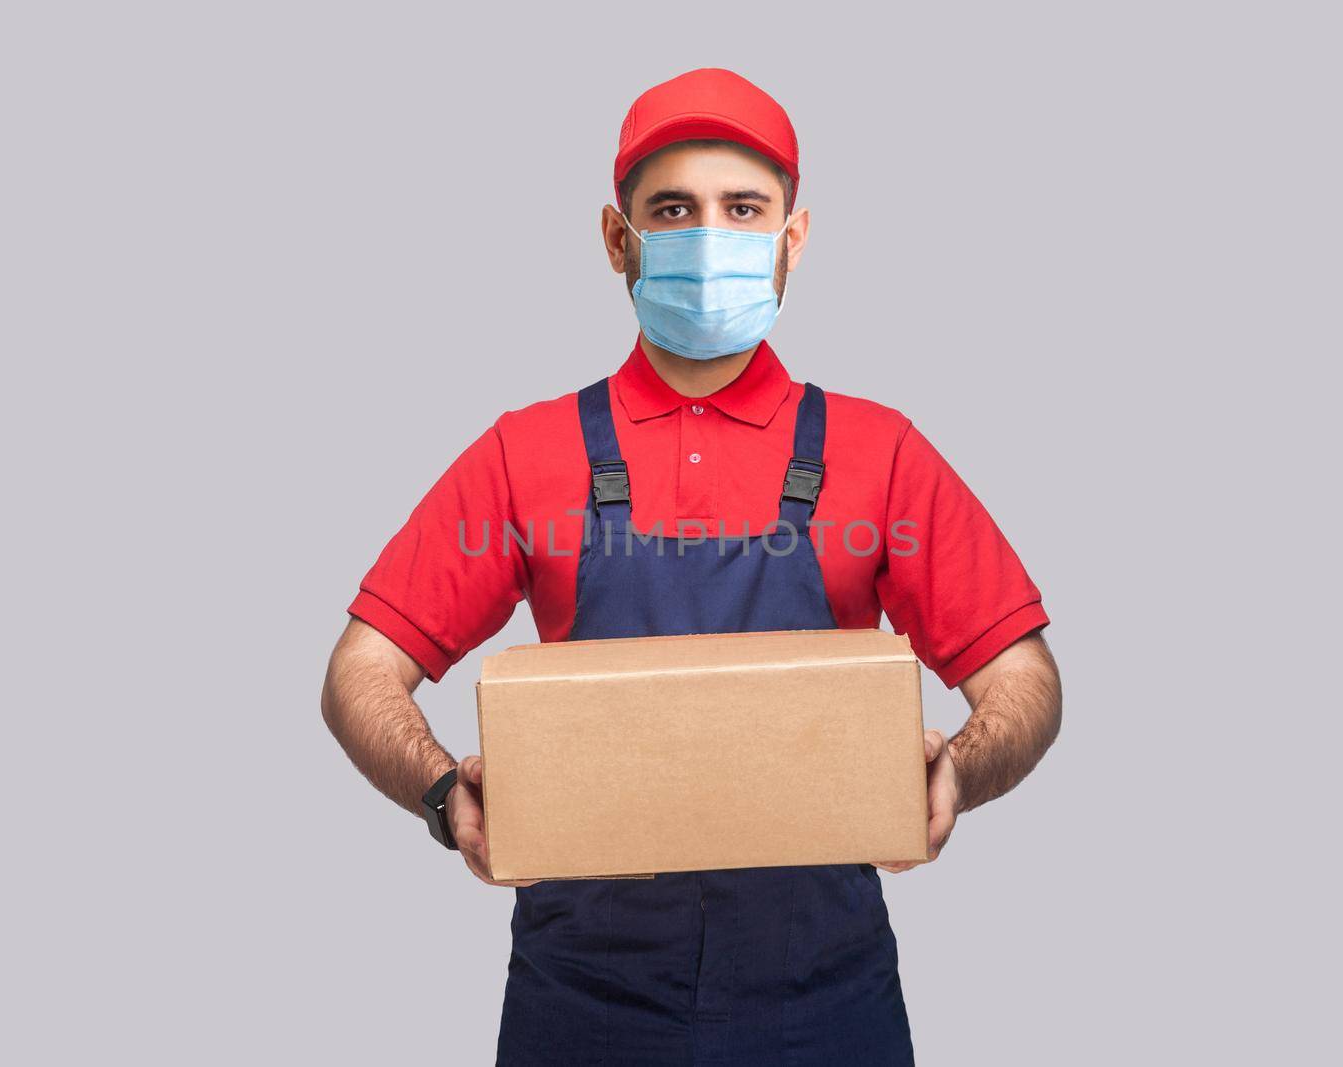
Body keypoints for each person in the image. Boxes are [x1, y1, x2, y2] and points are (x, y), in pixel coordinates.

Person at [322, 67, 1063, 1066]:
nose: (708, 234)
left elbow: (1023, 676)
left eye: (742, 208)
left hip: (823, 996)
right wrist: (439, 791)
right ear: (617, 239)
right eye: (673, 209)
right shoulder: (523, 451)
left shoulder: (879, 451)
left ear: (791, 238)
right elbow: (360, 670)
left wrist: (957, 773)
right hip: (583, 999)